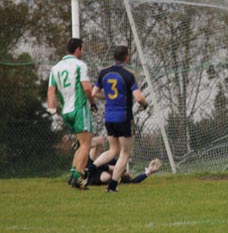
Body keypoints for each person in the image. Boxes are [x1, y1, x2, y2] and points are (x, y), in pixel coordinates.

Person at [89, 45, 149, 192]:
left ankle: (89, 169)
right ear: (126, 57)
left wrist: (107, 97)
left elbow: (93, 93)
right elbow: (138, 97)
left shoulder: (104, 72)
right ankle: (112, 186)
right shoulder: (128, 75)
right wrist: (145, 104)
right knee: (124, 153)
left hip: (109, 117)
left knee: (113, 150)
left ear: (114, 57)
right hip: (124, 117)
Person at [47, 38, 97, 189]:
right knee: (86, 145)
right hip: (79, 108)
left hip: (66, 111)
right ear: (77, 50)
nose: (84, 52)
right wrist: (93, 103)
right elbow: (87, 88)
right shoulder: (79, 65)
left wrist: (52, 107)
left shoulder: (55, 68)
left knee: (81, 145)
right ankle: (78, 179)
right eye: (83, 49)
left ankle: (72, 174)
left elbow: (51, 90)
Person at [85, 136, 161, 186]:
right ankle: (88, 143)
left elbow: (133, 182)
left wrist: (149, 171)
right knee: (97, 161)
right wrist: (111, 168)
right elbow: (97, 161)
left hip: (94, 176)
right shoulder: (109, 160)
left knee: (105, 176)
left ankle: (89, 144)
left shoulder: (117, 176)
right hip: (93, 168)